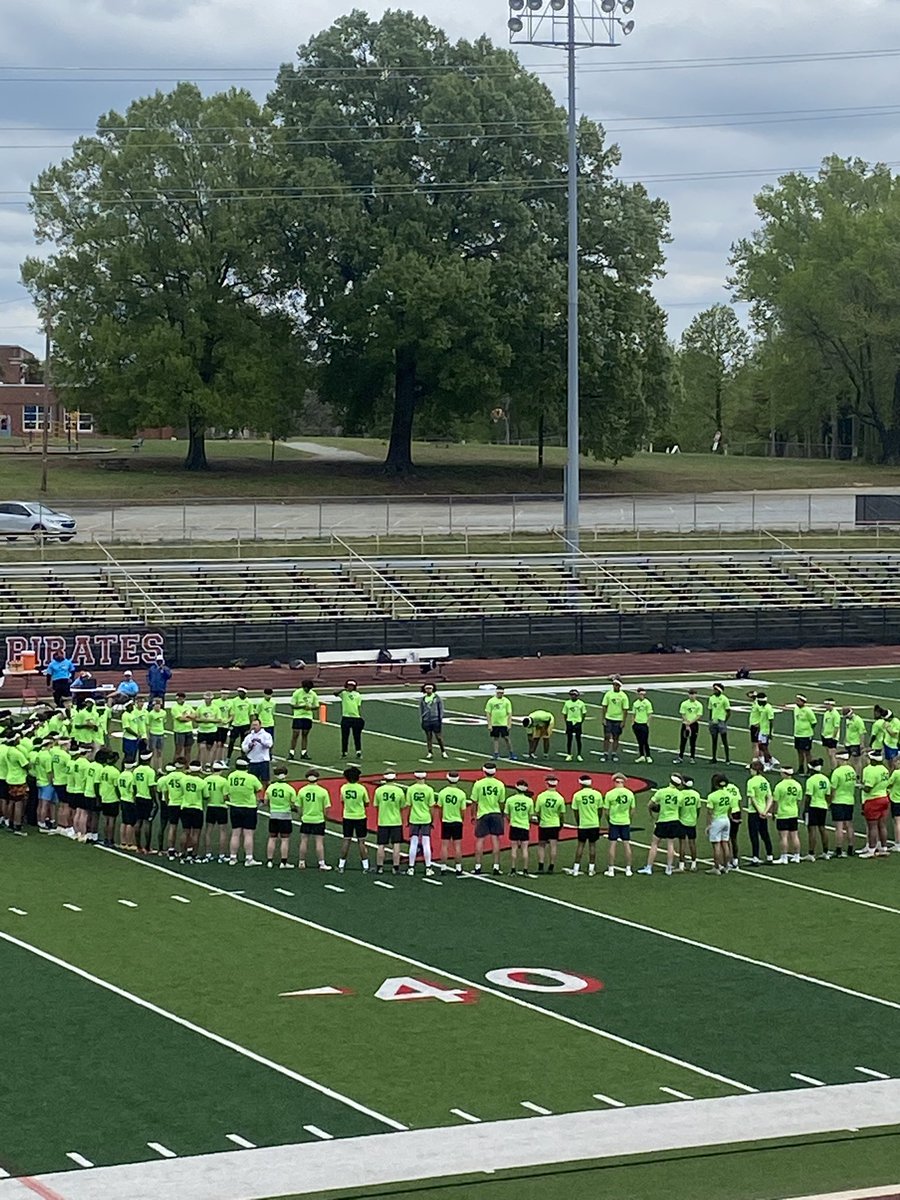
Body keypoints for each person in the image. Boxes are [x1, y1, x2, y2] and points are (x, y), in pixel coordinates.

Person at [638, 774, 683, 876]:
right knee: (670, 844)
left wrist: (653, 814)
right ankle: (669, 868)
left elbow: (650, 804)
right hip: (674, 820)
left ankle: (649, 867)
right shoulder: (680, 794)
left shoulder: (661, 792)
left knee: (654, 843)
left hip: (663, 820)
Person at [225, 757, 262, 867]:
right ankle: (249, 858)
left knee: (235, 833)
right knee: (248, 834)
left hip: (235, 806)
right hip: (249, 807)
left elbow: (227, 791)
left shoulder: (231, 776)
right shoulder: (251, 778)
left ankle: (233, 857)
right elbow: (259, 789)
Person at [470, 763, 506, 875]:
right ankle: (496, 866)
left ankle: (478, 866)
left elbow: (474, 802)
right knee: (495, 840)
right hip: (495, 813)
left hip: (483, 814)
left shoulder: (478, 784)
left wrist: (473, 815)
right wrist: (501, 814)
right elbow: (501, 802)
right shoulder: (500, 784)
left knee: (480, 840)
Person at [567, 774, 603, 877]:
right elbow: (600, 810)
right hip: (594, 823)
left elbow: (576, 811)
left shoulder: (577, 795)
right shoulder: (597, 794)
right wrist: (597, 820)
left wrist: (578, 822)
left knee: (580, 845)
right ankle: (591, 869)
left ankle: (576, 869)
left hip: (583, 824)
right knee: (592, 845)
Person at [296, 769, 332, 870]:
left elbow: (298, 806)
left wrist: (301, 815)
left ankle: (301, 862)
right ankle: (321, 863)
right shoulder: (323, 791)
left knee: (304, 840)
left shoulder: (302, 790)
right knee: (319, 842)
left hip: (306, 819)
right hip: (318, 819)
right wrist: (325, 817)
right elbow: (326, 807)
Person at [337, 764, 370, 873]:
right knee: (361, 841)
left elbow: (342, 801)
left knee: (346, 840)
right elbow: (367, 802)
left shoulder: (344, 788)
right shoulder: (361, 788)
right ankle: (365, 866)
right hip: (360, 816)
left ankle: (341, 865)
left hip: (347, 817)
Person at [705, 772, 739, 875]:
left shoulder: (712, 796)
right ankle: (726, 866)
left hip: (717, 821)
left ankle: (716, 867)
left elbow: (710, 812)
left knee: (716, 845)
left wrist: (708, 825)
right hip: (726, 820)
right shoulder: (729, 795)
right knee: (725, 843)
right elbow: (731, 809)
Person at [263, 767, 296, 869]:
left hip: (273, 815)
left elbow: (265, 802)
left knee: (272, 838)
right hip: (285, 816)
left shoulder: (270, 787)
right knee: (285, 839)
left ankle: (269, 861)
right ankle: (283, 862)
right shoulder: (289, 788)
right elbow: (294, 803)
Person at [603, 773, 635, 877]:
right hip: (625, 821)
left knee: (612, 845)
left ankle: (611, 869)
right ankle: (628, 869)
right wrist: (629, 819)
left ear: (615, 782)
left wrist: (609, 820)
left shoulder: (610, 794)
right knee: (627, 844)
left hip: (614, 822)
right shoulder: (630, 793)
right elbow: (632, 809)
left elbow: (606, 811)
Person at [859, 750, 890, 858]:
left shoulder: (870, 770)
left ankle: (871, 850)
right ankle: (883, 848)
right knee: (882, 825)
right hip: (884, 797)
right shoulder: (884, 769)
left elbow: (868, 788)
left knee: (872, 826)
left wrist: (860, 786)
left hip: (873, 800)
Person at [373, 771, 406, 874]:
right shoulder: (399, 791)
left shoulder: (379, 790)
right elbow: (402, 806)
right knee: (396, 845)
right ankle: (395, 867)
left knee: (381, 845)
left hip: (383, 821)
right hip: (396, 821)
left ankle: (380, 867)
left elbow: (376, 806)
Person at [437, 770, 468, 875]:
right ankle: (458, 867)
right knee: (457, 846)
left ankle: (443, 867)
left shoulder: (442, 792)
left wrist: (442, 819)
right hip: (457, 821)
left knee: (444, 845)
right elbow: (463, 810)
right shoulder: (461, 794)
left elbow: (440, 809)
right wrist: (461, 819)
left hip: (446, 821)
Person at [406, 770, 436, 876]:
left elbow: (409, 806)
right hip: (425, 818)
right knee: (426, 843)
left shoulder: (410, 789)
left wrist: (408, 819)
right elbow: (431, 807)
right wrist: (432, 819)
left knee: (413, 842)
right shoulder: (429, 790)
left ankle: (411, 867)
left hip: (414, 818)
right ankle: (428, 867)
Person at [772, 767, 804, 864]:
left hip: (783, 813)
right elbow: (799, 800)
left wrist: (773, 812)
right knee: (794, 835)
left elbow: (775, 801)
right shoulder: (797, 785)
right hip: (793, 813)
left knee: (783, 836)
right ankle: (797, 856)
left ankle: (784, 857)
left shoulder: (780, 786)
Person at [535, 775, 566, 874]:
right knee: (553, 846)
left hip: (544, 823)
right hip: (554, 823)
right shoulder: (560, 798)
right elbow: (561, 813)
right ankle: (551, 867)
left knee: (541, 845)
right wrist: (561, 823)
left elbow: (537, 812)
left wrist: (540, 820)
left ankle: (541, 866)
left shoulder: (541, 796)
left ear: (547, 784)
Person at [830, 751, 858, 859]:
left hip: (838, 801)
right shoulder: (852, 771)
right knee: (849, 825)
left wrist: (830, 802)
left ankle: (839, 850)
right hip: (849, 800)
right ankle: (851, 848)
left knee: (839, 827)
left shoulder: (837, 772)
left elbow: (833, 789)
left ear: (840, 759)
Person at [745, 760, 774, 865]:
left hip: (754, 812)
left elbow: (752, 799)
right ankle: (770, 856)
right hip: (763, 810)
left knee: (754, 835)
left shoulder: (751, 781)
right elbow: (770, 797)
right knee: (765, 834)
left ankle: (755, 858)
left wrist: (759, 811)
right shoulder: (765, 781)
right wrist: (765, 811)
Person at [504, 781, 535, 876]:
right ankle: (525, 869)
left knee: (514, 848)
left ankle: (513, 869)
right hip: (524, 826)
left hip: (514, 826)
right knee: (525, 848)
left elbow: (506, 814)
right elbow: (531, 815)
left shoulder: (510, 800)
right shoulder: (529, 801)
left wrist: (510, 820)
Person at [803, 758, 832, 861]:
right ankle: (825, 852)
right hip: (823, 806)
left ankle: (811, 853)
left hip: (813, 806)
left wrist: (805, 810)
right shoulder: (825, 779)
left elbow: (808, 797)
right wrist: (827, 804)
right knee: (822, 828)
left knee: (812, 830)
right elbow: (828, 795)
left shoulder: (811, 780)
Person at [131, 752, 157, 856]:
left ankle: (138, 846)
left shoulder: (136, 770)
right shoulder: (150, 771)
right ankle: (147, 847)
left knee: (138, 821)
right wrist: (155, 800)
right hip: (147, 798)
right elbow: (151, 787)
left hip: (138, 797)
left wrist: (135, 795)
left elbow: (134, 786)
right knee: (147, 822)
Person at [179, 762, 205, 863]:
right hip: (197, 808)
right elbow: (206, 796)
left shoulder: (183, 780)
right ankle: (193, 854)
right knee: (196, 833)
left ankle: (182, 853)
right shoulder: (202, 782)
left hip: (185, 807)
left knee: (185, 831)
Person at [600, 678, 629, 761]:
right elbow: (604, 706)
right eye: (614, 685)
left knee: (616, 737)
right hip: (609, 718)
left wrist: (623, 721)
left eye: (616, 685)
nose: (615, 686)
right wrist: (603, 718)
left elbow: (625, 709)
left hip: (618, 719)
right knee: (607, 736)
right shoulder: (608, 694)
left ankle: (614, 753)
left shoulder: (623, 696)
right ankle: (605, 753)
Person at [289, 680, 319, 760]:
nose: (308, 690)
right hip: (298, 716)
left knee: (305, 734)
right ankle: (291, 752)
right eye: (307, 688)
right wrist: (302, 707)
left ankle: (304, 752)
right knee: (295, 733)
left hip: (308, 716)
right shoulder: (297, 693)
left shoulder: (313, 694)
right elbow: (292, 705)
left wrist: (310, 708)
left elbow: (317, 706)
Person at [677, 775, 702, 871]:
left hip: (682, 821)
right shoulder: (696, 794)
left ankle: (681, 865)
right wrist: (695, 818)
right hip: (692, 822)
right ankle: (693, 864)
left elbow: (679, 808)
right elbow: (698, 809)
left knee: (682, 843)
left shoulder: (680, 794)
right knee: (692, 843)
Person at [98, 751, 121, 848]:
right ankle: (110, 839)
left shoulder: (103, 769)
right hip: (112, 798)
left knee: (106, 819)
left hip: (104, 796)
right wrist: (119, 797)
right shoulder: (115, 772)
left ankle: (106, 839)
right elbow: (116, 787)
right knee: (112, 820)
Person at [484, 687, 514, 761]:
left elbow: (509, 713)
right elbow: (488, 713)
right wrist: (489, 724)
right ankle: (496, 753)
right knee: (495, 738)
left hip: (503, 723)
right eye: (499, 693)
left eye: (502, 693)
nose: (500, 694)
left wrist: (509, 723)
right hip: (495, 723)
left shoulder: (506, 701)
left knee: (506, 738)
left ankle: (511, 753)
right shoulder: (491, 701)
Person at [419, 683, 447, 760]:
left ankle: (443, 751)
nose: (428, 690)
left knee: (438, 737)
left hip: (435, 720)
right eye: (427, 689)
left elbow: (441, 709)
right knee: (429, 737)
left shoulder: (437, 698)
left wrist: (440, 718)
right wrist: (422, 719)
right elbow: (421, 710)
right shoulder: (422, 699)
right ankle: (430, 752)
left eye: (430, 688)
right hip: (426, 720)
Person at [674, 689, 703, 764]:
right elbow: (683, 714)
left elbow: (698, 715)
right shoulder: (684, 704)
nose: (692, 696)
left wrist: (690, 722)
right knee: (683, 741)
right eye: (691, 694)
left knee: (693, 742)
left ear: (696, 695)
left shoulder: (699, 705)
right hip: (685, 724)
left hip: (694, 725)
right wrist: (687, 723)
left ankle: (692, 757)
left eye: (693, 694)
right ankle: (680, 757)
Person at [242, 719, 273, 784]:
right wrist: (249, 746)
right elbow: (244, 748)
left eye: (256, 725)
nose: (254, 727)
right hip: (252, 761)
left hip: (263, 761)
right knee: (251, 781)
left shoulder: (266, 735)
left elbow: (269, 745)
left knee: (265, 781)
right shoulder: (249, 736)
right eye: (253, 725)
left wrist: (261, 742)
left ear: (260, 725)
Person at [792, 695, 817, 776]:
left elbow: (814, 722)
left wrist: (807, 729)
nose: (796, 702)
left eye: (798, 701)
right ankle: (801, 768)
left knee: (807, 753)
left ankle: (810, 769)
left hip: (806, 735)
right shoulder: (796, 709)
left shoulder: (808, 711)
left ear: (803, 702)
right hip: (797, 734)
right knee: (799, 752)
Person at [339, 680, 365, 759]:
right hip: (346, 717)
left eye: (352, 686)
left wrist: (360, 717)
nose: (350, 687)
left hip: (355, 717)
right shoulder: (343, 694)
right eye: (349, 685)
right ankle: (344, 752)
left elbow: (358, 706)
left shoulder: (357, 695)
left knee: (357, 736)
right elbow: (335, 693)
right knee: (345, 736)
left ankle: (358, 751)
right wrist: (343, 689)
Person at [707, 683, 731, 765]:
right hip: (714, 721)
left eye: (716, 689)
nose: (714, 691)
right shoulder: (711, 698)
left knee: (724, 741)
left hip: (721, 721)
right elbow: (710, 710)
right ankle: (714, 758)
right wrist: (710, 720)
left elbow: (728, 711)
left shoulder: (724, 699)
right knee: (714, 740)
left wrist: (724, 721)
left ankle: (727, 759)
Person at [194, 692, 219, 769]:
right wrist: (203, 720)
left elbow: (219, 719)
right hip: (202, 730)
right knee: (202, 747)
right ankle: (201, 764)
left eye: (209, 698)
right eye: (206, 698)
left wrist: (209, 721)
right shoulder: (200, 707)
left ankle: (209, 763)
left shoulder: (215, 708)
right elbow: (196, 718)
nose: (207, 700)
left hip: (212, 730)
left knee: (210, 748)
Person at [561, 689, 587, 762]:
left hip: (577, 721)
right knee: (569, 739)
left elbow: (584, 713)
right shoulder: (567, 703)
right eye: (571, 695)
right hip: (570, 721)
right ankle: (569, 754)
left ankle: (579, 754)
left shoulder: (581, 703)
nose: (573, 696)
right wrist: (567, 721)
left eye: (574, 695)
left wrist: (580, 721)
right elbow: (565, 713)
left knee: (578, 739)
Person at [227, 688, 254, 758]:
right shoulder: (234, 701)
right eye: (239, 692)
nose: (239, 694)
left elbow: (251, 714)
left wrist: (251, 726)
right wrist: (230, 724)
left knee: (244, 742)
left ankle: (243, 757)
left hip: (245, 724)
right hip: (235, 724)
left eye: (241, 692)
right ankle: (228, 757)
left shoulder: (249, 702)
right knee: (231, 741)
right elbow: (231, 713)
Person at [631, 687, 653, 763]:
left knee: (645, 741)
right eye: (640, 694)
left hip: (644, 724)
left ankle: (648, 756)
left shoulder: (647, 703)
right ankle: (642, 755)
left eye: (642, 694)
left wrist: (647, 723)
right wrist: (633, 723)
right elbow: (633, 714)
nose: (641, 696)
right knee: (639, 741)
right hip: (637, 723)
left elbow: (650, 714)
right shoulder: (635, 703)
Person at [170, 693, 196, 760]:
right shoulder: (175, 708)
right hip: (179, 731)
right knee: (178, 750)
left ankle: (187, 764)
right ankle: (175, 764)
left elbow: (195, 715)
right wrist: (190, 718)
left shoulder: (188, 706)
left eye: (181, 699)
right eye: (178, 699)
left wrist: (187, 716)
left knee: (188, 750)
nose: (179, 700)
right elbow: (180, 719)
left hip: (189, 730)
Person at [146, 697, 167, 771]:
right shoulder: (150, 714)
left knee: (160, 751)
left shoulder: (164, 713)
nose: (157, 706)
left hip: (161, 733)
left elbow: (164, 721)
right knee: (152, 751)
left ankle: (159, 768)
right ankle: (151, 768)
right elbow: (148, 724)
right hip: (153, 733)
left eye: (159, 705)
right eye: (156, 705)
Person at [843, 707, 866, 771]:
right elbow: (848, 730)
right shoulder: (848, 720)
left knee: (856, 761)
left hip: (855, 743)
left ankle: (857, 775)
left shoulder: (858, 720)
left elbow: (862, 733)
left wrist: (862, 743)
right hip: (848, 743)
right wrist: (845, 739)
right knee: (848, 760)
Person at [820, 699, 841, 770]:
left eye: (827, 704)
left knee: (832, 754)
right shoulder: (826, 713)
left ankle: (834, 769)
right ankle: (833, 767)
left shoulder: (835, 714)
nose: (825, 706)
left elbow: (836, 727)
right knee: (829, 755)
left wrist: (833, 737)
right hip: (825, 736)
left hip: (831, 737)